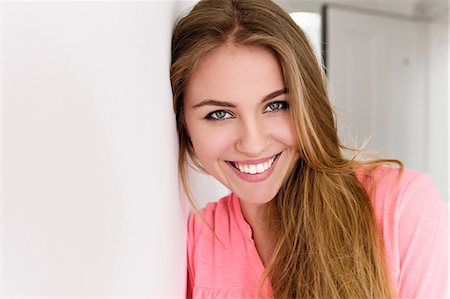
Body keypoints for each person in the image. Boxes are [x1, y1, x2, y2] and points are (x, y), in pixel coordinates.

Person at [170, 0, 449, 298]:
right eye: (219, 114)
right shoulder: (195, 241)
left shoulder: (401, 205)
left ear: (308, 105)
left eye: (276, 105)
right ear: (184, 124)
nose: (253, 144)